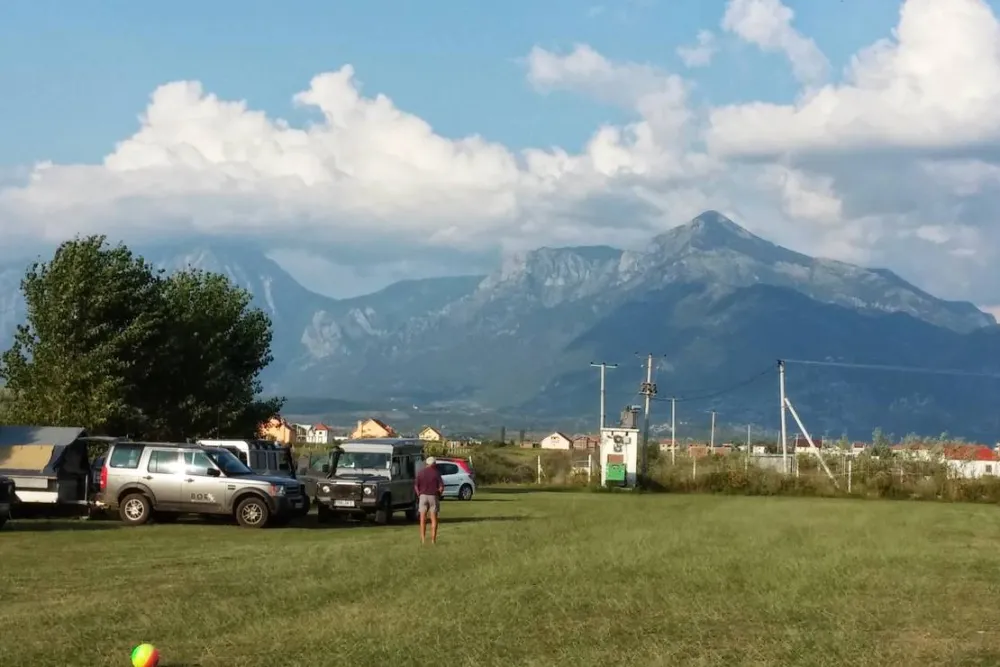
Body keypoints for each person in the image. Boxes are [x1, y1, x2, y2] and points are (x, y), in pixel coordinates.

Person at [414, 456, 444, 544]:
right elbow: (441, 487)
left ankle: (423, 540)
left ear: (426, 464)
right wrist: (439, 494)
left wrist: (419, 494)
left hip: (423, 496)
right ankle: (433, 540)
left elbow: (416, 485)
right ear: (433, 464)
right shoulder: (436, 473)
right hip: (433, 496)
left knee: (422, 519)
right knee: (433, 519)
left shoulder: (420, 472)